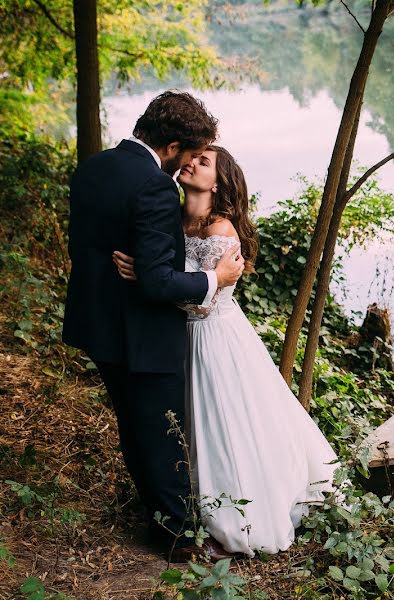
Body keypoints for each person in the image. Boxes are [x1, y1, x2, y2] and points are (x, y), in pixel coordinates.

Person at [113, 146, 339, 557]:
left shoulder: (222, 231)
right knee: (189, 423)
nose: (192, 163)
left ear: (217, 183)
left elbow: (203, 301)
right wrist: (148, 275)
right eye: (192, 157)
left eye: (204, 162)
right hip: (178, 336)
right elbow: (167, 276)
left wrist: (146, 279)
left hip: (213, 337)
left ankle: (236, 519)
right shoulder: (175, 220)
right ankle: (186, 505)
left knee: (222, 424)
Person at [62, 91, 245, 562]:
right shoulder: (155, 186)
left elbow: (87, 248)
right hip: (144, 333)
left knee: (133, 425)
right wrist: (215, 278)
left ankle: (157, 518)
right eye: (190, 152)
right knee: (163, 433)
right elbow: (160, 281)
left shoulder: (92, 167)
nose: (188, 163)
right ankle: (180, 539)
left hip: (97, 324)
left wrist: (139, 268)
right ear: (174, 145)